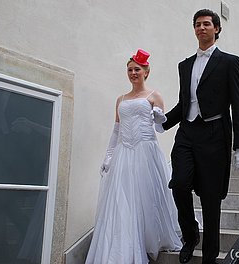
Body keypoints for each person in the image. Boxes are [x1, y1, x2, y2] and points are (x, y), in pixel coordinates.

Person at [160, 8, 239, 264]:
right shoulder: (185, 65)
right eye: (198, 24)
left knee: (211, 201)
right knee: (178, 184)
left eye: (207, 24)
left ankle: (209, 257)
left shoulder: (229, 62)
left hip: (215, 136)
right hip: (187, 134)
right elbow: (184, 104)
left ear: (217, 29)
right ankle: (190, 236)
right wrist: (162, 122)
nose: (202, 28)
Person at [85, 49, 182, 264]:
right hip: (123, 153)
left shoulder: (154, 95)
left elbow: (161, 129)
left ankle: (148, 238)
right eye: (129, 70)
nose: (133, 73)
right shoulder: (121, 99)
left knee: (146, 196)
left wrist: (158, 116)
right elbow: (116, 130)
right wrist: (109, 156)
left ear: (146, 72)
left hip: (146, 152)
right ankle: (124, 242)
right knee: (123, 199)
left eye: (137, 69)